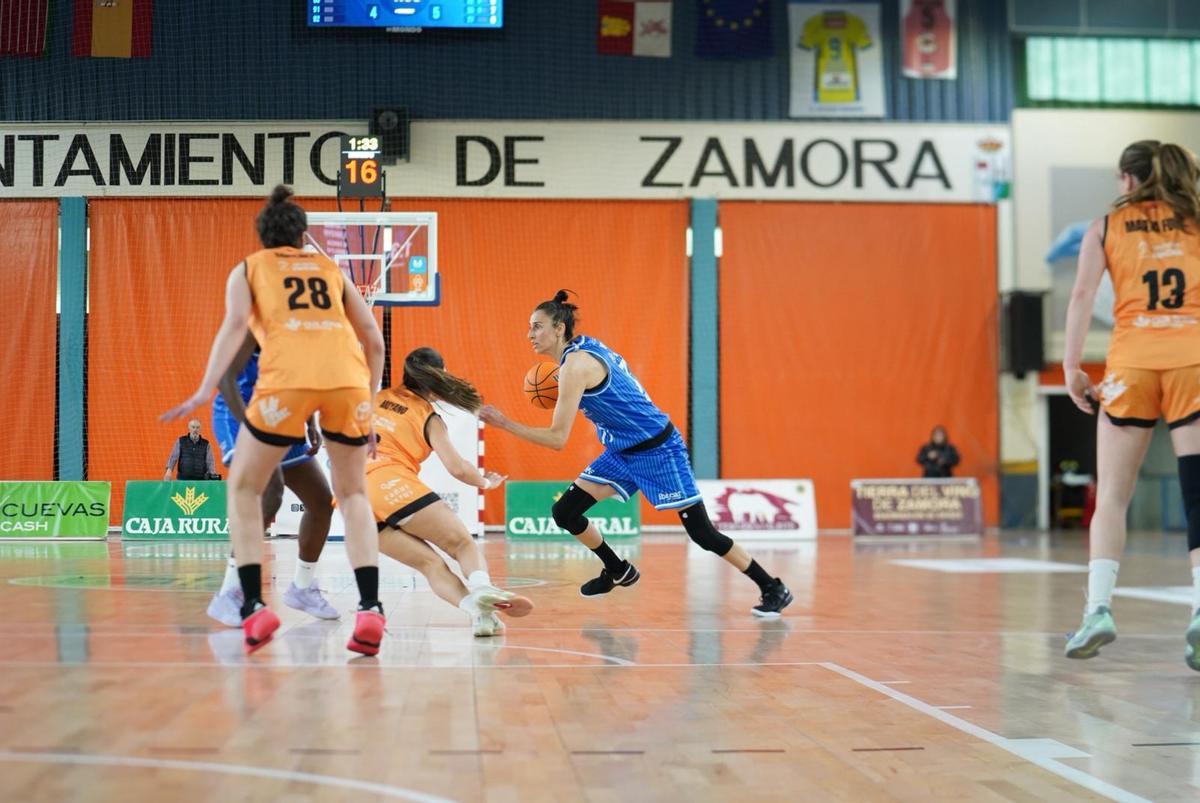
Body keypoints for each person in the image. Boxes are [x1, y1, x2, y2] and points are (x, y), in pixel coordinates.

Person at [162, 185, 386, 656]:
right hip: (343, 381)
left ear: (261, 237)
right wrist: (369, 405)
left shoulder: (249, 269)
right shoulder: (330, 269)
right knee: (352, 494)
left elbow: (231, 327)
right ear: (306, 236)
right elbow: (374, 339)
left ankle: (253, 607)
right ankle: (371, 608)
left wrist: (200, 388)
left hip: (286, 385)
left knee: (245, 489)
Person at [480, 291, 794, 617]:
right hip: (621, 450)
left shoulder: (576, 366)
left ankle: (773, 587)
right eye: (530, 327)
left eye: (537, 326)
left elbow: (557, 438)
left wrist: (504, 423)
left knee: (703, 534)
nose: (530, 334)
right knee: (566, 512)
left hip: (658, 449)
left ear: (559, 328)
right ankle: (617, 570)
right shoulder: (584, 346)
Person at [1060, 140, 1200, 669]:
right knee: (1198, 496)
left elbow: (1079, 296)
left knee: (1113, 497)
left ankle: (1098, 609)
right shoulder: (1196, 220)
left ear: (1127, 179)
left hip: (1132, 364)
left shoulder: (1105, 226)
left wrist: (1073, 368)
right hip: (1194, 362)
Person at [368, 347, 533, 636]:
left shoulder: (374, 397)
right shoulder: (428, 417)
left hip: (353, 501)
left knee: (430, 564)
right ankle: (482, 587)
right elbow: (457, 468)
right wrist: (484, 482)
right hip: (393, 484)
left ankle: (479, 615)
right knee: (462, 545)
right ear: (438, 378)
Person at [204, 332, 339, 626]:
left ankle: (302, 588)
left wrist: (310, 422)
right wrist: (253, 429)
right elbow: (225, 380)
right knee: (270, 492)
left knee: (320, 502)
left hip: (279, 415)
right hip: (238, 414)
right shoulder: (255, 325)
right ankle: (230, 591)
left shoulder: (304, 330)